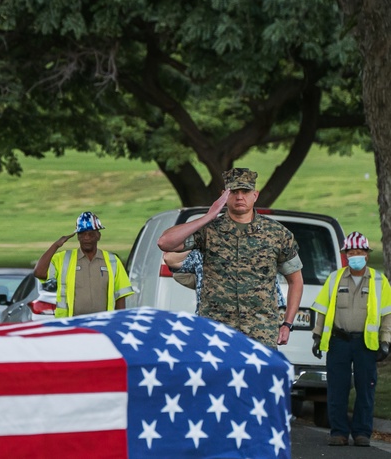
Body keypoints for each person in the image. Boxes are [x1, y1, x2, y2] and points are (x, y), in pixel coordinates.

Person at [157, 167, 304, 348]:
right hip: (216, 331)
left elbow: (296, 281)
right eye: (233, 192)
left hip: (260, 332)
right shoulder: (208, 230)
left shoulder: (277, 234)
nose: (240, 196)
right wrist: (209, 216)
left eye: (245, 191)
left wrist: (287, 324)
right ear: (224, 196)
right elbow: (165, 242)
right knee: (216, 377)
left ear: (255, 195)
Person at [309, 231, 391, 447]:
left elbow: (387, 314)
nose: (355, 256)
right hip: (339, 342)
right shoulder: (335, 278)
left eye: (359, 252)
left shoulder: (380, 280)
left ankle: (362, 433)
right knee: (337, 388)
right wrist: (317, 336)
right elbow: (322, 309)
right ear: (346, 255)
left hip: (366, 344)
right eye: (351, 252)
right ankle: (339, 432)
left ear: (366, 254)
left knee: (366, 388)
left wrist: (386, 341)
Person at [32, 211, 134, 317]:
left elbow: (120, 297)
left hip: (102, 324)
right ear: (78, 236)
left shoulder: (113, 260)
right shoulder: (64, 258)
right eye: (82, 234)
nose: (87, 237)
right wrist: (56, 245)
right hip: (71, 325)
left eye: (91, 234)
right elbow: (39, 273)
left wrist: (119, 322)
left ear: (98, 236)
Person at [163, 248, 287, 313]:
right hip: (213, 323)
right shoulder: (201, 253)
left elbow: (275, 293)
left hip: (251, 325)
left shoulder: (260, 253)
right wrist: (196, 241)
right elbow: (171, 260)